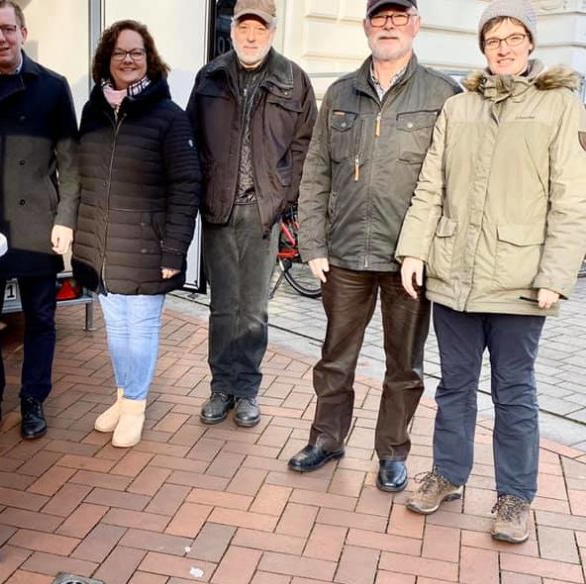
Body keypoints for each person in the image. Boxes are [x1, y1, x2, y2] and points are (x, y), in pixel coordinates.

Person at [397, 0, 586, 543]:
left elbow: (572, 199)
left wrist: (556, 273)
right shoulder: (461, 108)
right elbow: (431, 185)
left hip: (521, 280)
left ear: (530, 43)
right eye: (493, 38)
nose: (503, 47)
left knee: (514, 390)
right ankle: (448, 475)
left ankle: (513, 497)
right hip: (454, 277)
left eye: (513, 37)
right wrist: (415, 251)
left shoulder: (560, 105)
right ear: (483, 47)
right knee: (454, 385)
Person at [288, 0, 461, 492]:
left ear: (415, 25)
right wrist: (313, 242)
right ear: (366, 27)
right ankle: (326, 438)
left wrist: (426, 250)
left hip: (407, 260)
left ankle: (392, 452)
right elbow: (317, 169)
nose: (389, 26)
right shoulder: (342, 92)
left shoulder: (443, 94)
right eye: (380, 18)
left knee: (403, 365)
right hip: (344, 254)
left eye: (398, 17)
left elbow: (451, 182)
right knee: (335, 357)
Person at [0, 0, 80, 444]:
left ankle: (33, 399)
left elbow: (71, 163)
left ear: (22, 32)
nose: (0, 38)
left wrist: (66, 218)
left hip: (36, 223)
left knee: (41, 319)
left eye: (8, 28)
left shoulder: (53, 86)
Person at [72, 20, 201, 448]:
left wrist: (174, 251)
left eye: (137, 52)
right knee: (116, 329)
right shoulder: (93, 111)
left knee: (140, 330)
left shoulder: (169, 117)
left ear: (149, 59)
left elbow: (186, 186)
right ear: (106, 60)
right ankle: (123, 396)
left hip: (148, 246)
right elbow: (81, 177)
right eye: (120, 53)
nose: (128, 60)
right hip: (102, 244)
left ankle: (136, 406)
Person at [188, 0, 316, 429]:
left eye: (259, 29)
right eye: (244, 27)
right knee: (223, 307)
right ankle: (220, 386)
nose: (250, 36)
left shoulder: (293, 79)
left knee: (254, 310)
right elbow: (192, 139)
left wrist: (283, 194)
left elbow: (305, 146)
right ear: (233, 28)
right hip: (220, 209)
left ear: (272, 31)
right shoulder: (210, 76)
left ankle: (246, 390)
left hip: (264, 213)